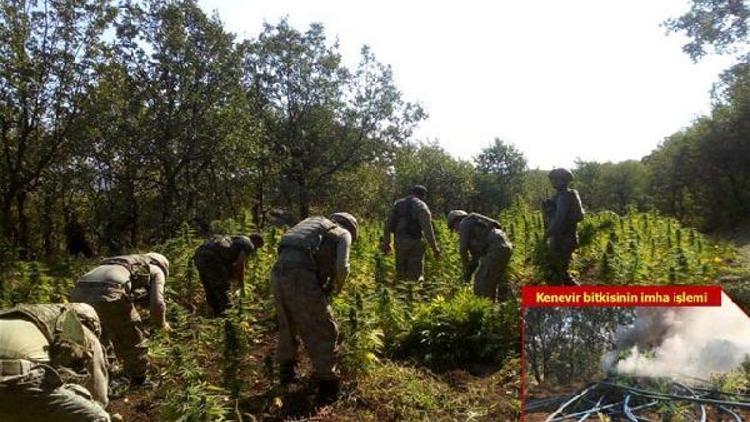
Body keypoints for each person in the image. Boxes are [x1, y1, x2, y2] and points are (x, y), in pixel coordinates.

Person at [271, 212, 358, 404]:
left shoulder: (310, 223)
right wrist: (338, 286)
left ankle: (286, 373)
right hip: (300, 276)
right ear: (351, 227)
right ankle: (328, 387)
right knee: (323, 328)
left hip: (277, 273)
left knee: (287, 323)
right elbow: (342, 267)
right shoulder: (343, 234)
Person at [70, 252, 170, 386]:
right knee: (132, 336)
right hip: (109, 290)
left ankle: (106, 372)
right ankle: (138, 378)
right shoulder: (156, 270)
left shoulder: (118, 263)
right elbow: (157, 303)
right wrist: (161, 324)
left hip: (78, 291)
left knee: (99, 334)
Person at [0, 303, 110, 421]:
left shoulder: (19, 314)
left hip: (12, 381)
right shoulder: (78, 327)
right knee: (98, 418)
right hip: (17, 380)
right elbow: (98, 395)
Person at [448, 210, 513, 301]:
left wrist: (465, 267)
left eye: (454, 227)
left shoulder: (464, 223)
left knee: (480, 281)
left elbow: (463, 249)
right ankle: (494, 307)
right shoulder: (477, 226)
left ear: (456, 220)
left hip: (496, 248)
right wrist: (469, 273)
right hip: (505, 245)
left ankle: (482, 309)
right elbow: (476, 258)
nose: (456, 231)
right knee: (491, 281)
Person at [193, 234, 265, 316]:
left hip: (199, 255)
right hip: (213, 258)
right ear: (256, 241)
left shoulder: (234, 239)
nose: (255, 250)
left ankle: (216, 316)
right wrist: (241, 285)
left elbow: (231, 263)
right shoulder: (248, 244)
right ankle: (228, 318)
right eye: (257, 247)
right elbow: (239, 265)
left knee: (209, 287)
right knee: (223, 289)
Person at [382, 185, 441, 281]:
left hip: (399, 243)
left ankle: (400, 294)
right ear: (423, 195)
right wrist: (435, 249)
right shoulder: (421, 206)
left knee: (401, 273)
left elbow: (387, 225)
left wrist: (387, 243)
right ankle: (414, 294)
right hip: (415, 243)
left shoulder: (398, 204)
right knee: (415, 275)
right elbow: (428, 230)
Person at [542, 168, 585, 285]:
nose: (553, 182)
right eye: (552, 179)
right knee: (560, 271)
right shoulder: (560, 196)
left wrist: (547, 234)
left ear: (563, 180)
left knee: (557, 270)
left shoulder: (564, 197)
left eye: (555, 179)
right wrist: (549, 209)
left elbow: (559, 220)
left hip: (563, 240)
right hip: (562, 239)